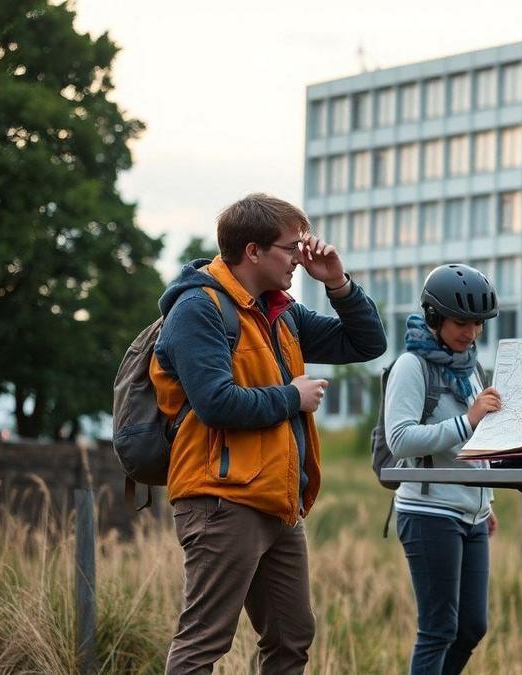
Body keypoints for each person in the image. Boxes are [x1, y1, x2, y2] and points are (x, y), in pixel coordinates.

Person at [151, 193, 387, 673]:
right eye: (292, 247)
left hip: (279, 502)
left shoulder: (281, 313)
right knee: (205, 643)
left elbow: (367, 343)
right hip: (221, 500)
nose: (302, 257)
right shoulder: (199, 309)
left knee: (291, 637)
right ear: (253, 251)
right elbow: (216, 403)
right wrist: (291, 397)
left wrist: (338, 283)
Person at [385, 263, 503, 675]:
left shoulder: (470, 367)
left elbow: (477, 444)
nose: (470, 333)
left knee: (472, 627)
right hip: (428, 512)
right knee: (438, 629)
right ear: (434, 317)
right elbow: (400, 440)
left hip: (472, 512)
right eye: (461, 322)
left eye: (477, 324)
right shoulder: (411, 367)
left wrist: (487, 497)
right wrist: (466, 421)